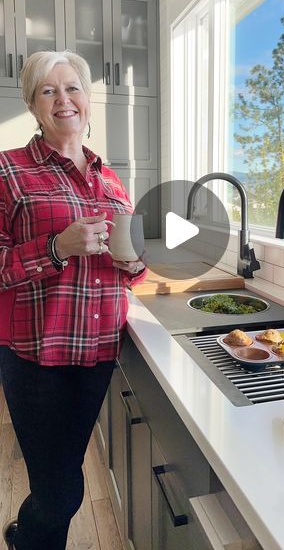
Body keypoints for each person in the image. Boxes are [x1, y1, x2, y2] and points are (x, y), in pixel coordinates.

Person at [0, 50, 147, 550]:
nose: (64, 99)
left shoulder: (112, 180)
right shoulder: (8, 172)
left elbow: (128, 270)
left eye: (74, 88)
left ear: (88, 101)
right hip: (35, 355)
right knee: (63, 489)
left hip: (98, 354)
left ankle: (25, 534)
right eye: (49, 90)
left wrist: (133, 265)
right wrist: (55, 248)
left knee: (55, 477)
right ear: (33, 105)